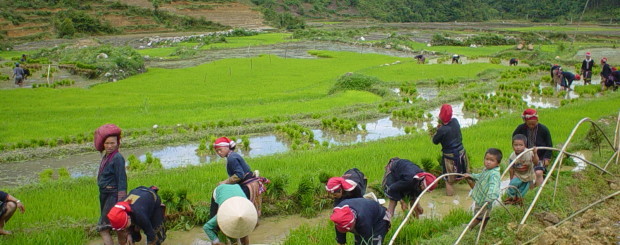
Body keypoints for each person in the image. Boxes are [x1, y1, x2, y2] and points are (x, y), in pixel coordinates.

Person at [214, 137, 268, 217]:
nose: (219, 152)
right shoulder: (233, 155)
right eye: (217, 151)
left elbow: (239, 175)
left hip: (249, 186)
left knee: (245, 209)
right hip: (252, 183)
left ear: (227, 148)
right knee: (254, 211)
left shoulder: (231, 158)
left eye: (220, 150)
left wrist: (224, 182)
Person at [94, 124, 128, 245]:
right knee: (116, 226)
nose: (109, 146)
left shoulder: (117, 158)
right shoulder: (107, 156)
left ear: (118, 143)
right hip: (105, 195)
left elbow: (122, 179)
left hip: (112, 196)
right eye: (107, 143)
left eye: (112, 143)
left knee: (103, 228)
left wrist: (121, 202)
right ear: (103, 143)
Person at [432, 104, 474, 196]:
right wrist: (441, 129)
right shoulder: (455, 121)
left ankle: (450, 199)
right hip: (461, 152)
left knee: (448, 181)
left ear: (440, 115)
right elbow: (450, 131)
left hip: (450, 157)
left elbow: (435, 141)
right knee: (467, 175)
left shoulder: (442, 130)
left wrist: (437, 131)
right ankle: (477, 191)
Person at [463, 148, 502, 231]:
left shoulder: (494, 174)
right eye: (487, 159)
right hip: (481, 198)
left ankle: (470, 227)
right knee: (484, 215)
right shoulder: (487, 170)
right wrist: (471, 176)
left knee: (479, 215)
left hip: (486, 200)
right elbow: (480, 176)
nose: (488, 162)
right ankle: (482, 228)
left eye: (492, 160)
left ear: (498, 163)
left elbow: (494, 187)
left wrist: (490, 197)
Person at [512, 109, 552, 187]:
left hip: (540, 156)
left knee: (539, 172)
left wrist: (547, 158)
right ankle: (528, 189)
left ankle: (538, 189)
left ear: (537, 121)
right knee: (525, 173)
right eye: (529, 124)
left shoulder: (544, 130)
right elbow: (514, 141)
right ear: (525, 122)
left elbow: (549, 145)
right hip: (525, 156)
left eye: (534, 124)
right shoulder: (520, 129)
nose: (532, 126)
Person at [505, 134, 538, 205]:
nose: (518, 147)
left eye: (520, 145)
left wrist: (535, 153)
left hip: (528, 174)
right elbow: (511, 169)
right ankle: (511, 198)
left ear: (525, 145)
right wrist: (511, 179)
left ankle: (520, 200)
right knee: (513, 185)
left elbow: (536, 162)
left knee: (524, 189)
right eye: (515, 145)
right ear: (512, 146)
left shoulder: (529, 153)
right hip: (518, 174)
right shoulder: (512, 156)